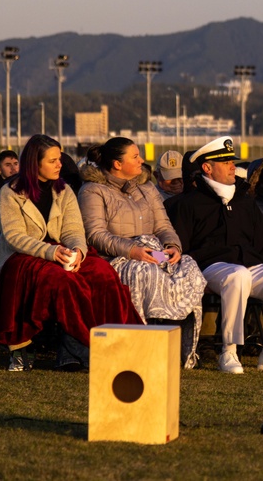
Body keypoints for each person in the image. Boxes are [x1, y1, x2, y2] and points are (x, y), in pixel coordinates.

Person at [0, 134, 141, 371]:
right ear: (35, 163)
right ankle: (87, 346)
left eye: (59, 159)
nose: (59, 164)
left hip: (61, 251)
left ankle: (125, 341)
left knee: (103, 272)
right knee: (63, 282)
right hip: (22, 257)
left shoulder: (64, 191)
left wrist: (78, 251)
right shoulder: (11, 193)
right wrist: (51, 252)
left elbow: (73, 229)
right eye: (52, 161)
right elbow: (14, 236)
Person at [167, 136, 263, 374]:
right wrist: (192, 280)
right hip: (210, 267)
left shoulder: (244, 199)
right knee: (237, 276)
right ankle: (228, 352)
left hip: (248, 266)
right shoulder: (189, 203)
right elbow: (181, 247)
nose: (232, 166)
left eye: (231, 161)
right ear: (207, 168)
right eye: (225, 161)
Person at [78, 137, 207, 368]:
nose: (142, 160)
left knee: (189, 267)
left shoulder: (146, 188)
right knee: (144, 272)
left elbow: (163, 226)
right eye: (135, 156)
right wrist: (132, 250)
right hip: (117, 258)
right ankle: (142, 347)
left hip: (153, 253)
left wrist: (173, 248)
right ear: (118, 164)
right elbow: (96, 235)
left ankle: (181, 349)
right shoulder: (93, 191)